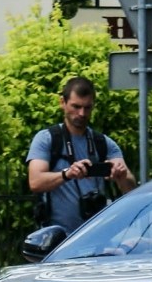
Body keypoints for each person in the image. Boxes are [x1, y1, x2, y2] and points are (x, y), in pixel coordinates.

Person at [26, 76, 136, 232]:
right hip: (58, 238)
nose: (82, 113)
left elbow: (130, 189)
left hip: (96, 236)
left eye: (87, 107)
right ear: (62, 103)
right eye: (76, 106)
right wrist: (67, 174)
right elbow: (35, 182)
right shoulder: (47, 139)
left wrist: (121, 175)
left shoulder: (103, 143)